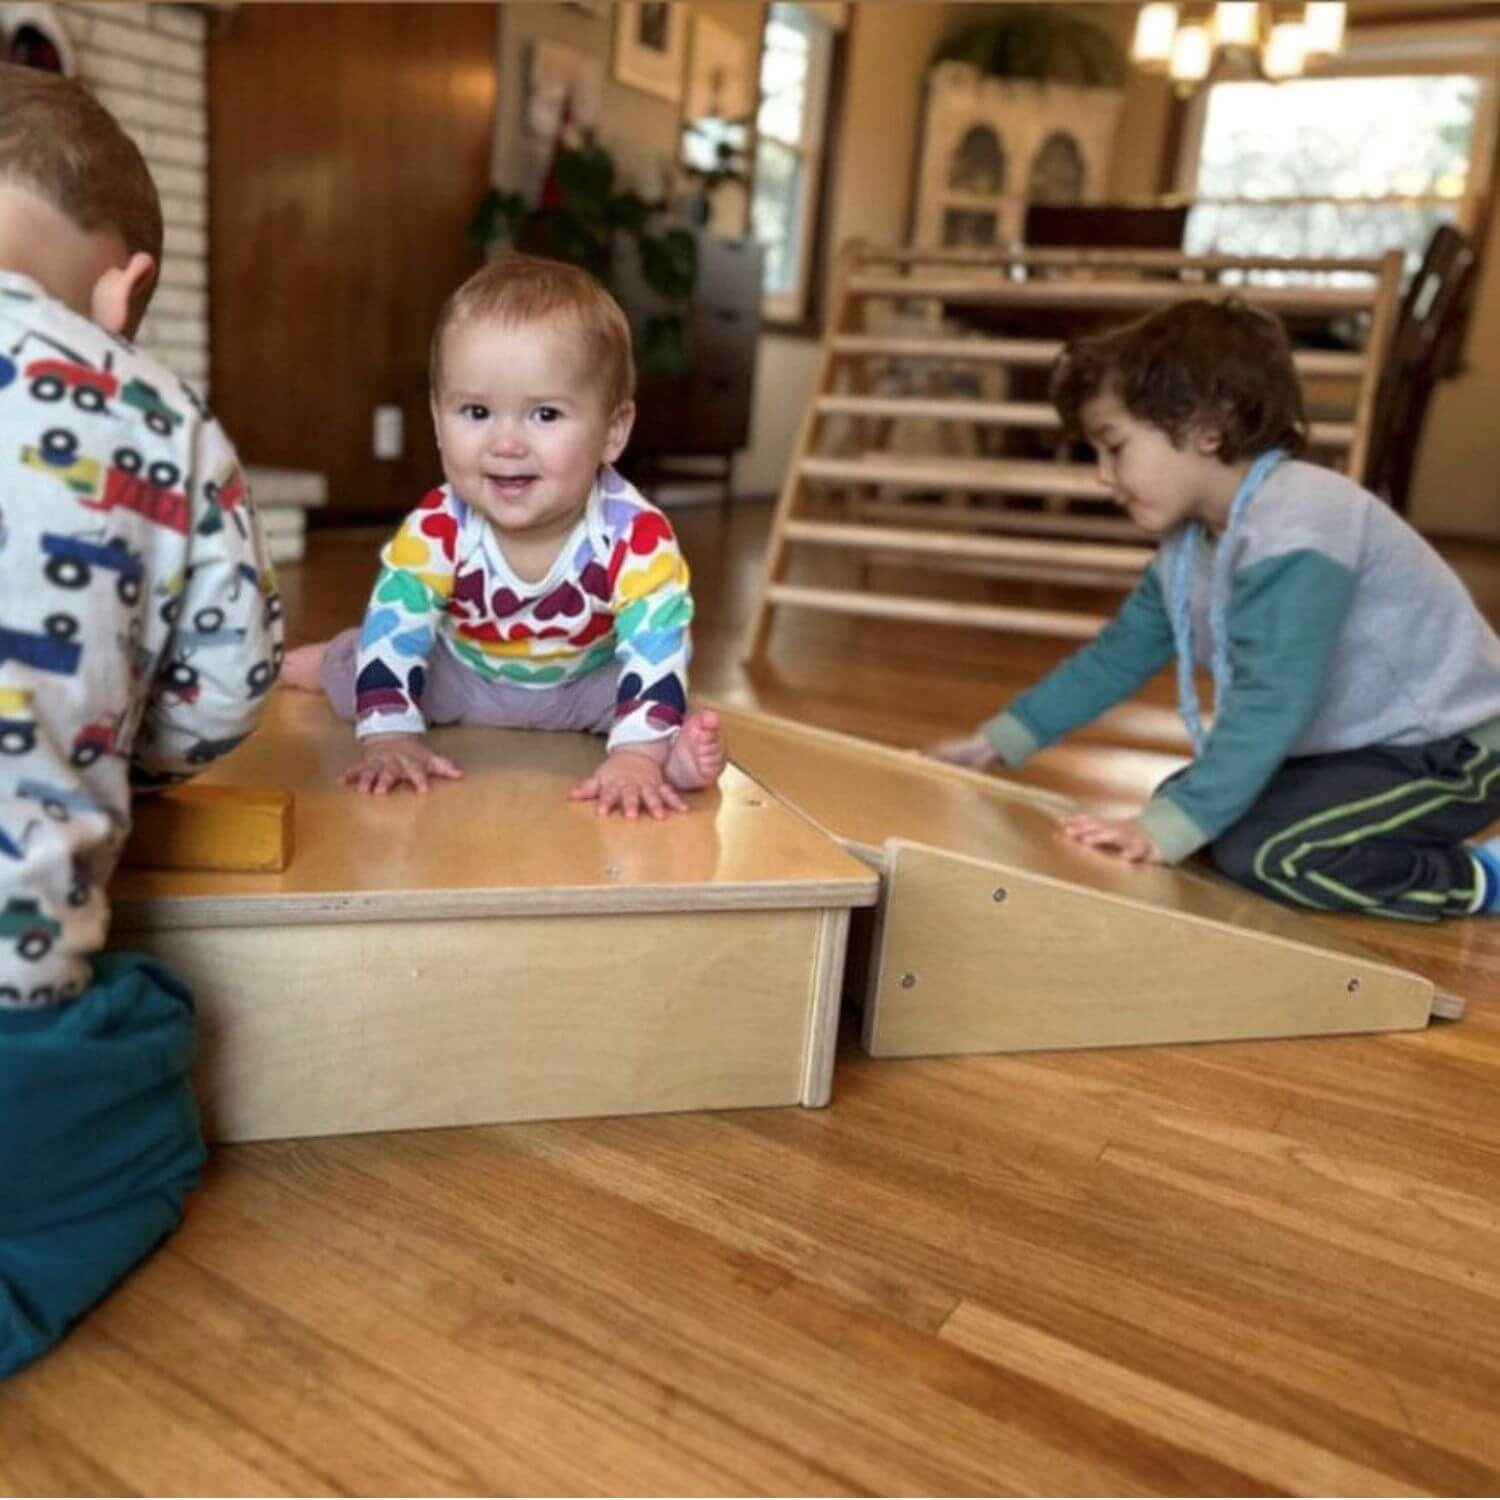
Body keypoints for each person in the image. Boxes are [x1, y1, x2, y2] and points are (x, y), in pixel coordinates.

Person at [0, 63, 281, 1375]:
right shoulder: (150, 415)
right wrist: (120, 746)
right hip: (11, 1030)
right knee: (157, 1071)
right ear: (126, 295)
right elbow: (219, 699)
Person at [929, 298, 1500, 919]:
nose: (1102, 476)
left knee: (1276, 853)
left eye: (1114, 447)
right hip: (1360, 749)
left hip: (1454, 747)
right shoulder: (1189, 547)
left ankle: (1480, 878)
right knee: (1191, 812)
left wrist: (1172, 826)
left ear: (1207, 426)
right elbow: (1114, 659)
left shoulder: (1304, 521)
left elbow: (1273, 698)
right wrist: (994, 744)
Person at [282, 253, 726, 819]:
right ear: (439, 421)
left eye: (544, 415)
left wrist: (638, 757)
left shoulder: (632, 534)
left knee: (664, 699)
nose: (506, 443)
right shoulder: (440, 526)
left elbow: (654, 644)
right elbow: (401, 623)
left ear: (612, 431)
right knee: (370, 659)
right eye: (476, 411)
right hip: (464, 675)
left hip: (583, 682)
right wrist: (388, 737)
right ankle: (327, 661)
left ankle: (672, 758)